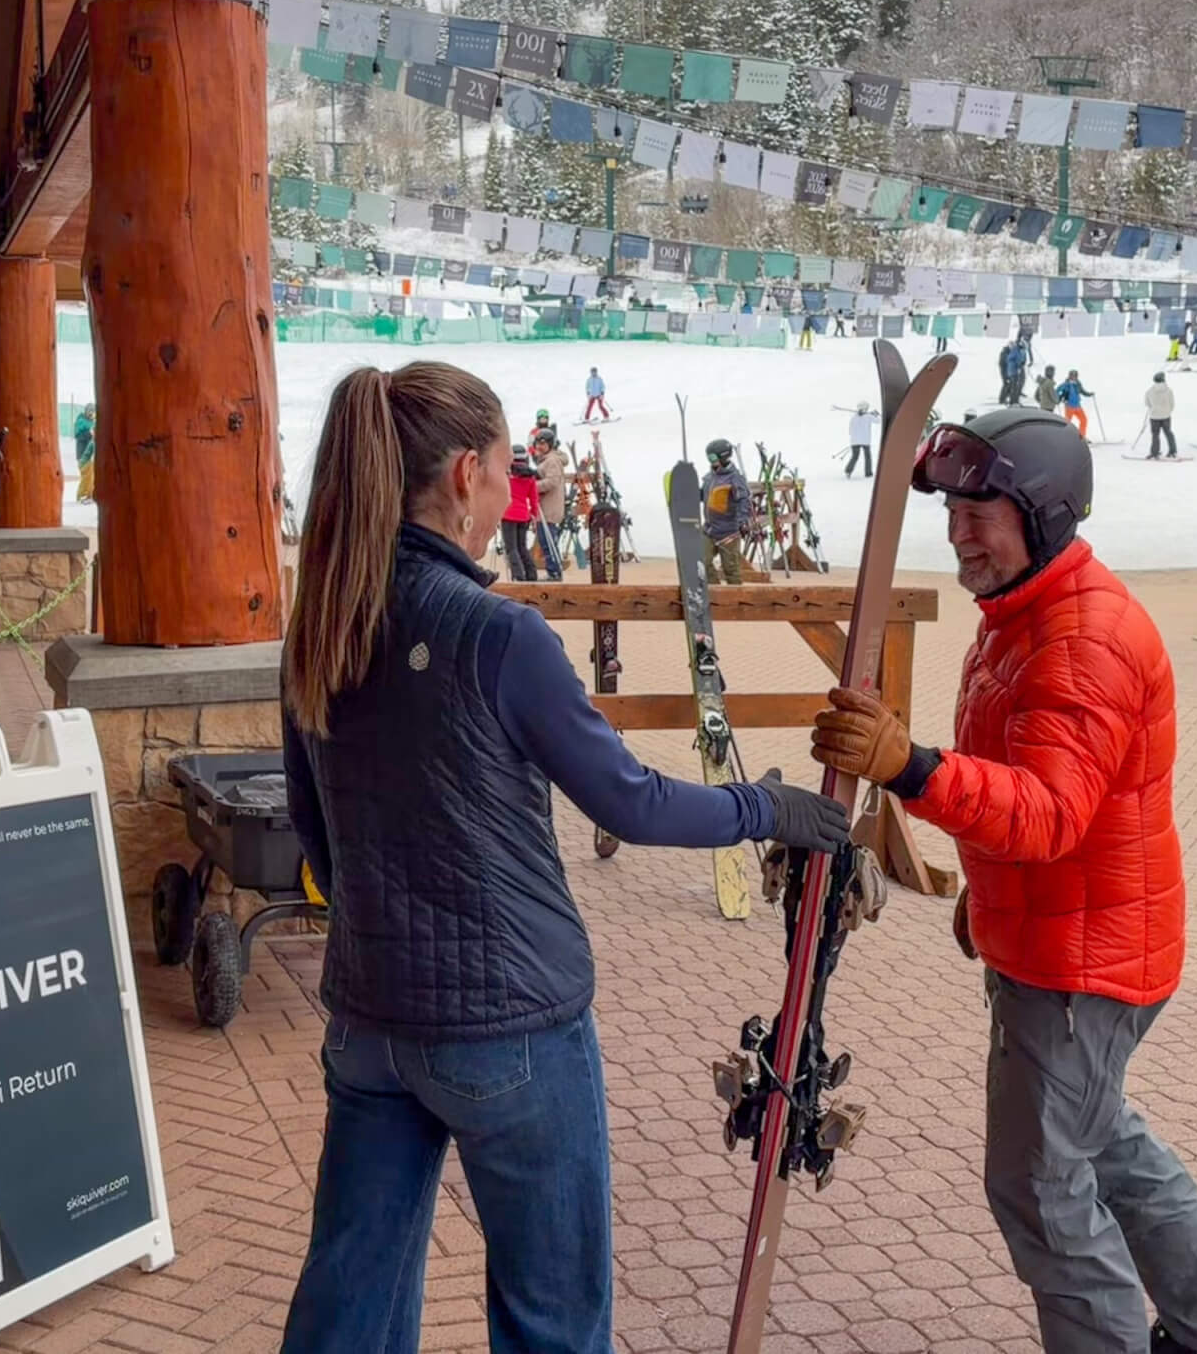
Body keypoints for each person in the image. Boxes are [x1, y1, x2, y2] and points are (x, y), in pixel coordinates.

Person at [276, 363, 849, 1354]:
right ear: (464, 473)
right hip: (513, 1027)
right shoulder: (500, 634)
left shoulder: (324, 621)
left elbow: (316, 835)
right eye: (505, 471)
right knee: (551, 1318)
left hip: (369, 1021)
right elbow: (627, 796)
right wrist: (765, 806)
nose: (509, 495)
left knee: (349, 1306)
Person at [808, 410, 1197, 1354]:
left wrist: (912, 767)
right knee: (1106, 1148)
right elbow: (1038, 791)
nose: (959, 530)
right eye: (954, 508)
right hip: (1067, 936)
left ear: (1046, 514)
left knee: (1041, 1188)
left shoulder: (1082, 637)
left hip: (1080, 964)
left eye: (983, 511)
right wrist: (985, 898)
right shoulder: (1027, 612)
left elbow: (1048, 810)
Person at [702, 438, 751, 585]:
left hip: (729, 532)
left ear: (723, 456)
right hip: (710, 530)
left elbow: (743, 500)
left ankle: (736, 600)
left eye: (713, 457)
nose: (710, 461)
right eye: (708, 457)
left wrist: (743, 521)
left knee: (730, 569)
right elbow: (702, 495)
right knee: (701, 561)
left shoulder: (735, 478)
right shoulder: (709, 477)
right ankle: (713, 592)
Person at [527, 423, 567, 581]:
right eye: (538, 443)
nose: (540, 446)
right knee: (544, 541)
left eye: (543, 443)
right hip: (544, 508)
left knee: (548, 541)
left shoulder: (552, 461)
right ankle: (553, 570)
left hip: (549, 508)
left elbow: (552, 481)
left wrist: (533, 487)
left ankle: (554, 571)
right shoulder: (544, 460)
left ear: (550, 444)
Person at [501, 449, 541, 582]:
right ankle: (531, 575)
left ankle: (518, 576)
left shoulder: (507, 476)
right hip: (524, 515)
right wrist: (534, 516)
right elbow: (534, 500)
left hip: (508, 514)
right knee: (522, 547)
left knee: (511, 548)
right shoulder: (530, 477)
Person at [1145, 372, 1178, 460]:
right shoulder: (1169, 391)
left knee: (1155, 434)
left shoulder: (1149, 391)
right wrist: (1167, 411)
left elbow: (1147, 403)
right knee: (1168, 433)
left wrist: (1153, 410)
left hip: (1154, 416)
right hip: (1166, 416)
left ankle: (1154, 452)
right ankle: (1173, 451)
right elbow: (1172, 404)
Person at [845, 401, 880, 479]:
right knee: (867, 457)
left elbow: (850, 430)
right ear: (865, 408)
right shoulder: (869, 417)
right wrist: (876, 414)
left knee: (855, 456)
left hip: (854, 441)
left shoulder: (853, 418)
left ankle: (848, 471)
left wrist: (854, 438)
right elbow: (878, 421)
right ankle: (868, 473)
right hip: (865, 441)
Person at [1057, 370, 1094, 438]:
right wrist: (1058, 398)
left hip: (1077, 406)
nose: (1073, 377)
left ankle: (1081, 436)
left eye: (1075, 375)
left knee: (1084, 420)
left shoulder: (1078, 384)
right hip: (1069, 406)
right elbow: (1058, 390)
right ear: (1069, 376)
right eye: (1072, 375)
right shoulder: (1066, 384)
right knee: (1067, 423)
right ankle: (1065, 437)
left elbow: (1083, 392)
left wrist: (1089, 394)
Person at [74, 402, 97, 502]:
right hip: (83, 454)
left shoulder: (93, 423)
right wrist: (89, 433)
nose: (91, 414)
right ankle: (82, 495)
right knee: (86, 476)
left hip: (91, 454)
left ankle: (89, 495)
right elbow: (78, 436)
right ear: (86, 411)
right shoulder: (81, 422)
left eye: (93, 412)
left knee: (92, 476)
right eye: (90, 411)